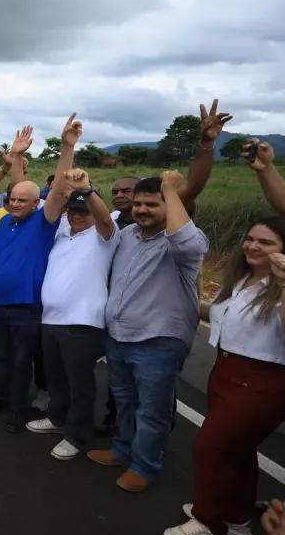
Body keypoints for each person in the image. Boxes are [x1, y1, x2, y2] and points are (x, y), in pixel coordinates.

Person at [163, 217, 285, 535]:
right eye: (250, 239)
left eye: (266, 243)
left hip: (264, 379)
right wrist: (191, 292)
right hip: (226, 369)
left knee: (212, 446)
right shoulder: (241, 280)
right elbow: (217, 316)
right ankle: (235, 517)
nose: (253, 246)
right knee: (239, 450)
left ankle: (208, 525)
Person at [89, 171, 209, 493]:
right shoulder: (129, 235)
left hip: (157, 342)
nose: (142, 209)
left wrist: (172, 191)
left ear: (170, 206)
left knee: (152, 409)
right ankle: (121, 450)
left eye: (152, 204)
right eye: (138, 203)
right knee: (125, 401)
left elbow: (186, 242)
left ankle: (144, 466)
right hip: (119, 336)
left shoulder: (185, 242)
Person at [0, 116, 78, 433]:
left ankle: (17, 409)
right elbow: (16, 184)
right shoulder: (5, 220)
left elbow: (61, 188)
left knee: (22, 362)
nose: (16, 203)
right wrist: (18, 155)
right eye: (13, 199)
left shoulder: (43, 222)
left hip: (26, 308)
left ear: (37, 203)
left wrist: (67, 148)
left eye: (24, 200)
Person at [30, 170, 119, 460]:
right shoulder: (61, 233)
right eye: (73, 211)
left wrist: (87, 191)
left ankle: (77, 436)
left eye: (83, 211)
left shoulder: (105, 237)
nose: (77, 216)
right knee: (55, 377)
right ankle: (57, 419)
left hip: (82, 322)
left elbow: (104, 219)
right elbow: (53, 201)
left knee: (80, 383)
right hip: (51, 319)